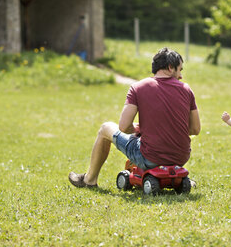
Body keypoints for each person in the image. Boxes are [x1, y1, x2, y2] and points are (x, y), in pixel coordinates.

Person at [69, 47, 201, 188]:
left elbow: (124, 126)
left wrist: (136, 128)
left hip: (150, 158)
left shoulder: (138, 87)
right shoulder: (187, 90)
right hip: (180, 159)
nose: (180, 76)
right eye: (180, 70)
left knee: (105, 128)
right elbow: (195, 129)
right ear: (170, 67)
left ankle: (89, 180)